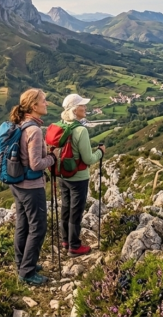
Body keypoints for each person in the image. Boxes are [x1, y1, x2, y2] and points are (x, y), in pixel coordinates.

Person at [9, 88, 56, 286]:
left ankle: (22, 263)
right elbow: (36, 164)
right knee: (38, 227)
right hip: (31, 187)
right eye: (43, 101)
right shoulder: (34, 130)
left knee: (23, 224)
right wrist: (52, 158)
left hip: (17, 184)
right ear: (34, 106)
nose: (47, 103)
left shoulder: (21, 125)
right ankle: (27, 272)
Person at [57, 94, 105, 257]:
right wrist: (100, 152)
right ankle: (74, 246)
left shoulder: (62, 126)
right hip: (78, 177)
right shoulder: (80, 130)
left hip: (63, 175)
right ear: (75, 109)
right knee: (76, 211)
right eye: (82, 106)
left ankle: (65, 240)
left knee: (65, 207)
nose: (85, 108)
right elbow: (88, 159)